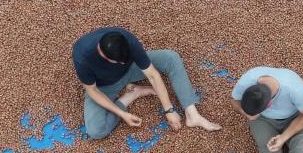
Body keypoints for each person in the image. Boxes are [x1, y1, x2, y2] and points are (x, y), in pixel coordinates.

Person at [73, 27, 220, 139]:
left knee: (171, 58)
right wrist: (122, 113)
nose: (121, 62)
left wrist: (169, 110)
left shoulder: (125, 38)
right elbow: (92, 90)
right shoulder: (83, 57)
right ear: (103, 54)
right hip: (105, 85)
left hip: (131, 69)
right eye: (118, 61)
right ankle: (133, 94)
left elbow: (152, 74)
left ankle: (192, 114)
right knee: (95, 131)